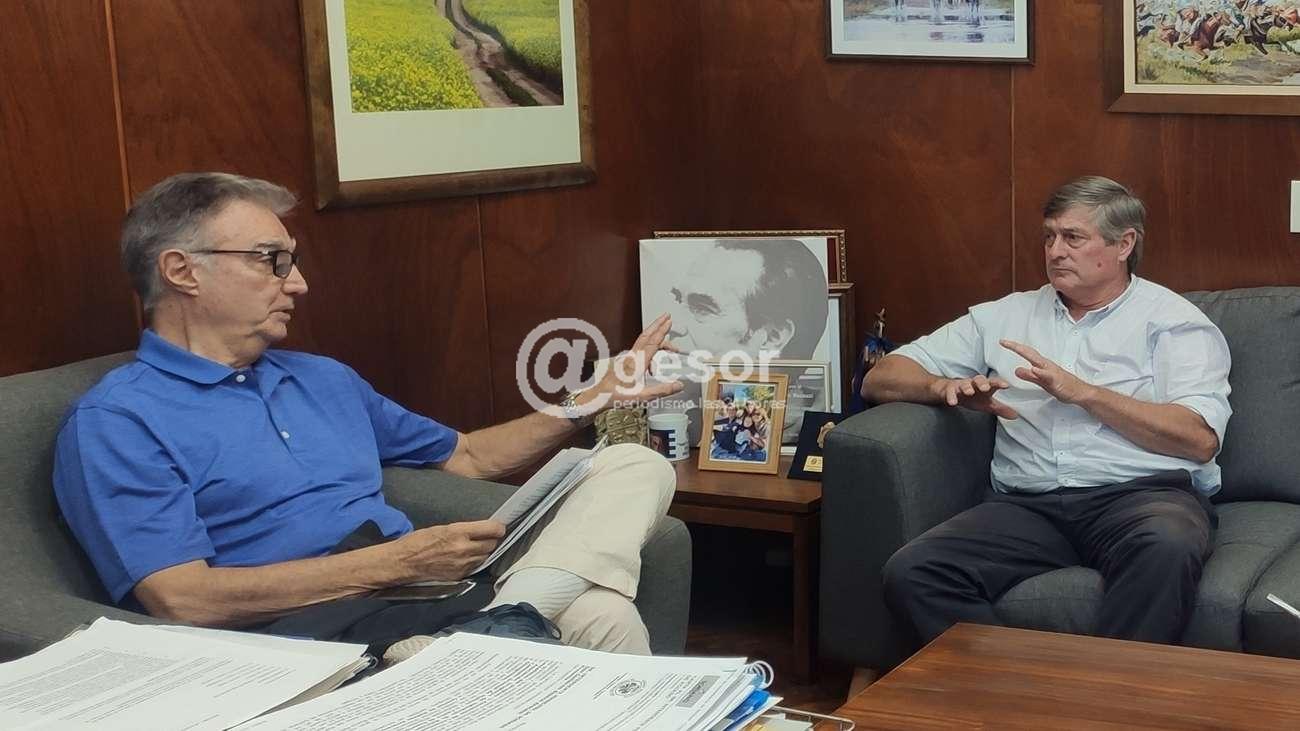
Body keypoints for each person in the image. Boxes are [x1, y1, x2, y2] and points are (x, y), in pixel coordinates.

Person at [53, 172, 686, 658]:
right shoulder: (119, 420)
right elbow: (180, 598)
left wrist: (592, 399)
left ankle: (495, 625)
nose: (297, 283)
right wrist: (395, 563)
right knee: (602, 614)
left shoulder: (322, 379)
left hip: (427, 597)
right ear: (181, 270)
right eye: (271, 260)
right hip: (301, 630)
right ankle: (492, 632)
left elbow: (467, 455)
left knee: (634, 465)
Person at [863, 175, 1231, 646]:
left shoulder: (1173, 322)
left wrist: (1085, 394)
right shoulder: (1004, 316)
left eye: (1073, 237)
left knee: (1168, 545)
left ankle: (1104, 695)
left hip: (1141, 499)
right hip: (1027, 506)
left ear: (1124, 244)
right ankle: (1020, 688)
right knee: (913, 571)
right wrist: (940, 386)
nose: (1055, 251)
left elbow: (1199, 440)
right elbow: (881, 376)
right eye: (1049, 237)